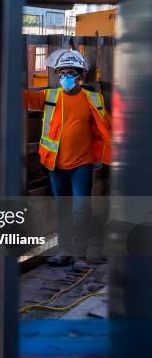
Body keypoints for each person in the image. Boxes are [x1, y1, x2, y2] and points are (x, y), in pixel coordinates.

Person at [23, 49, 111, 268]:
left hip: (82, 164)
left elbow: (107, 126)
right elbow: (23, 96)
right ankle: (64, 252)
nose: (65, 77)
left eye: (70, 73)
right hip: (55, 165)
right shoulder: (50, 97)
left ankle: (80, 254)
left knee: (80, 208)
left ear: (79, 76)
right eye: (62, 73)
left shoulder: (93, 99)